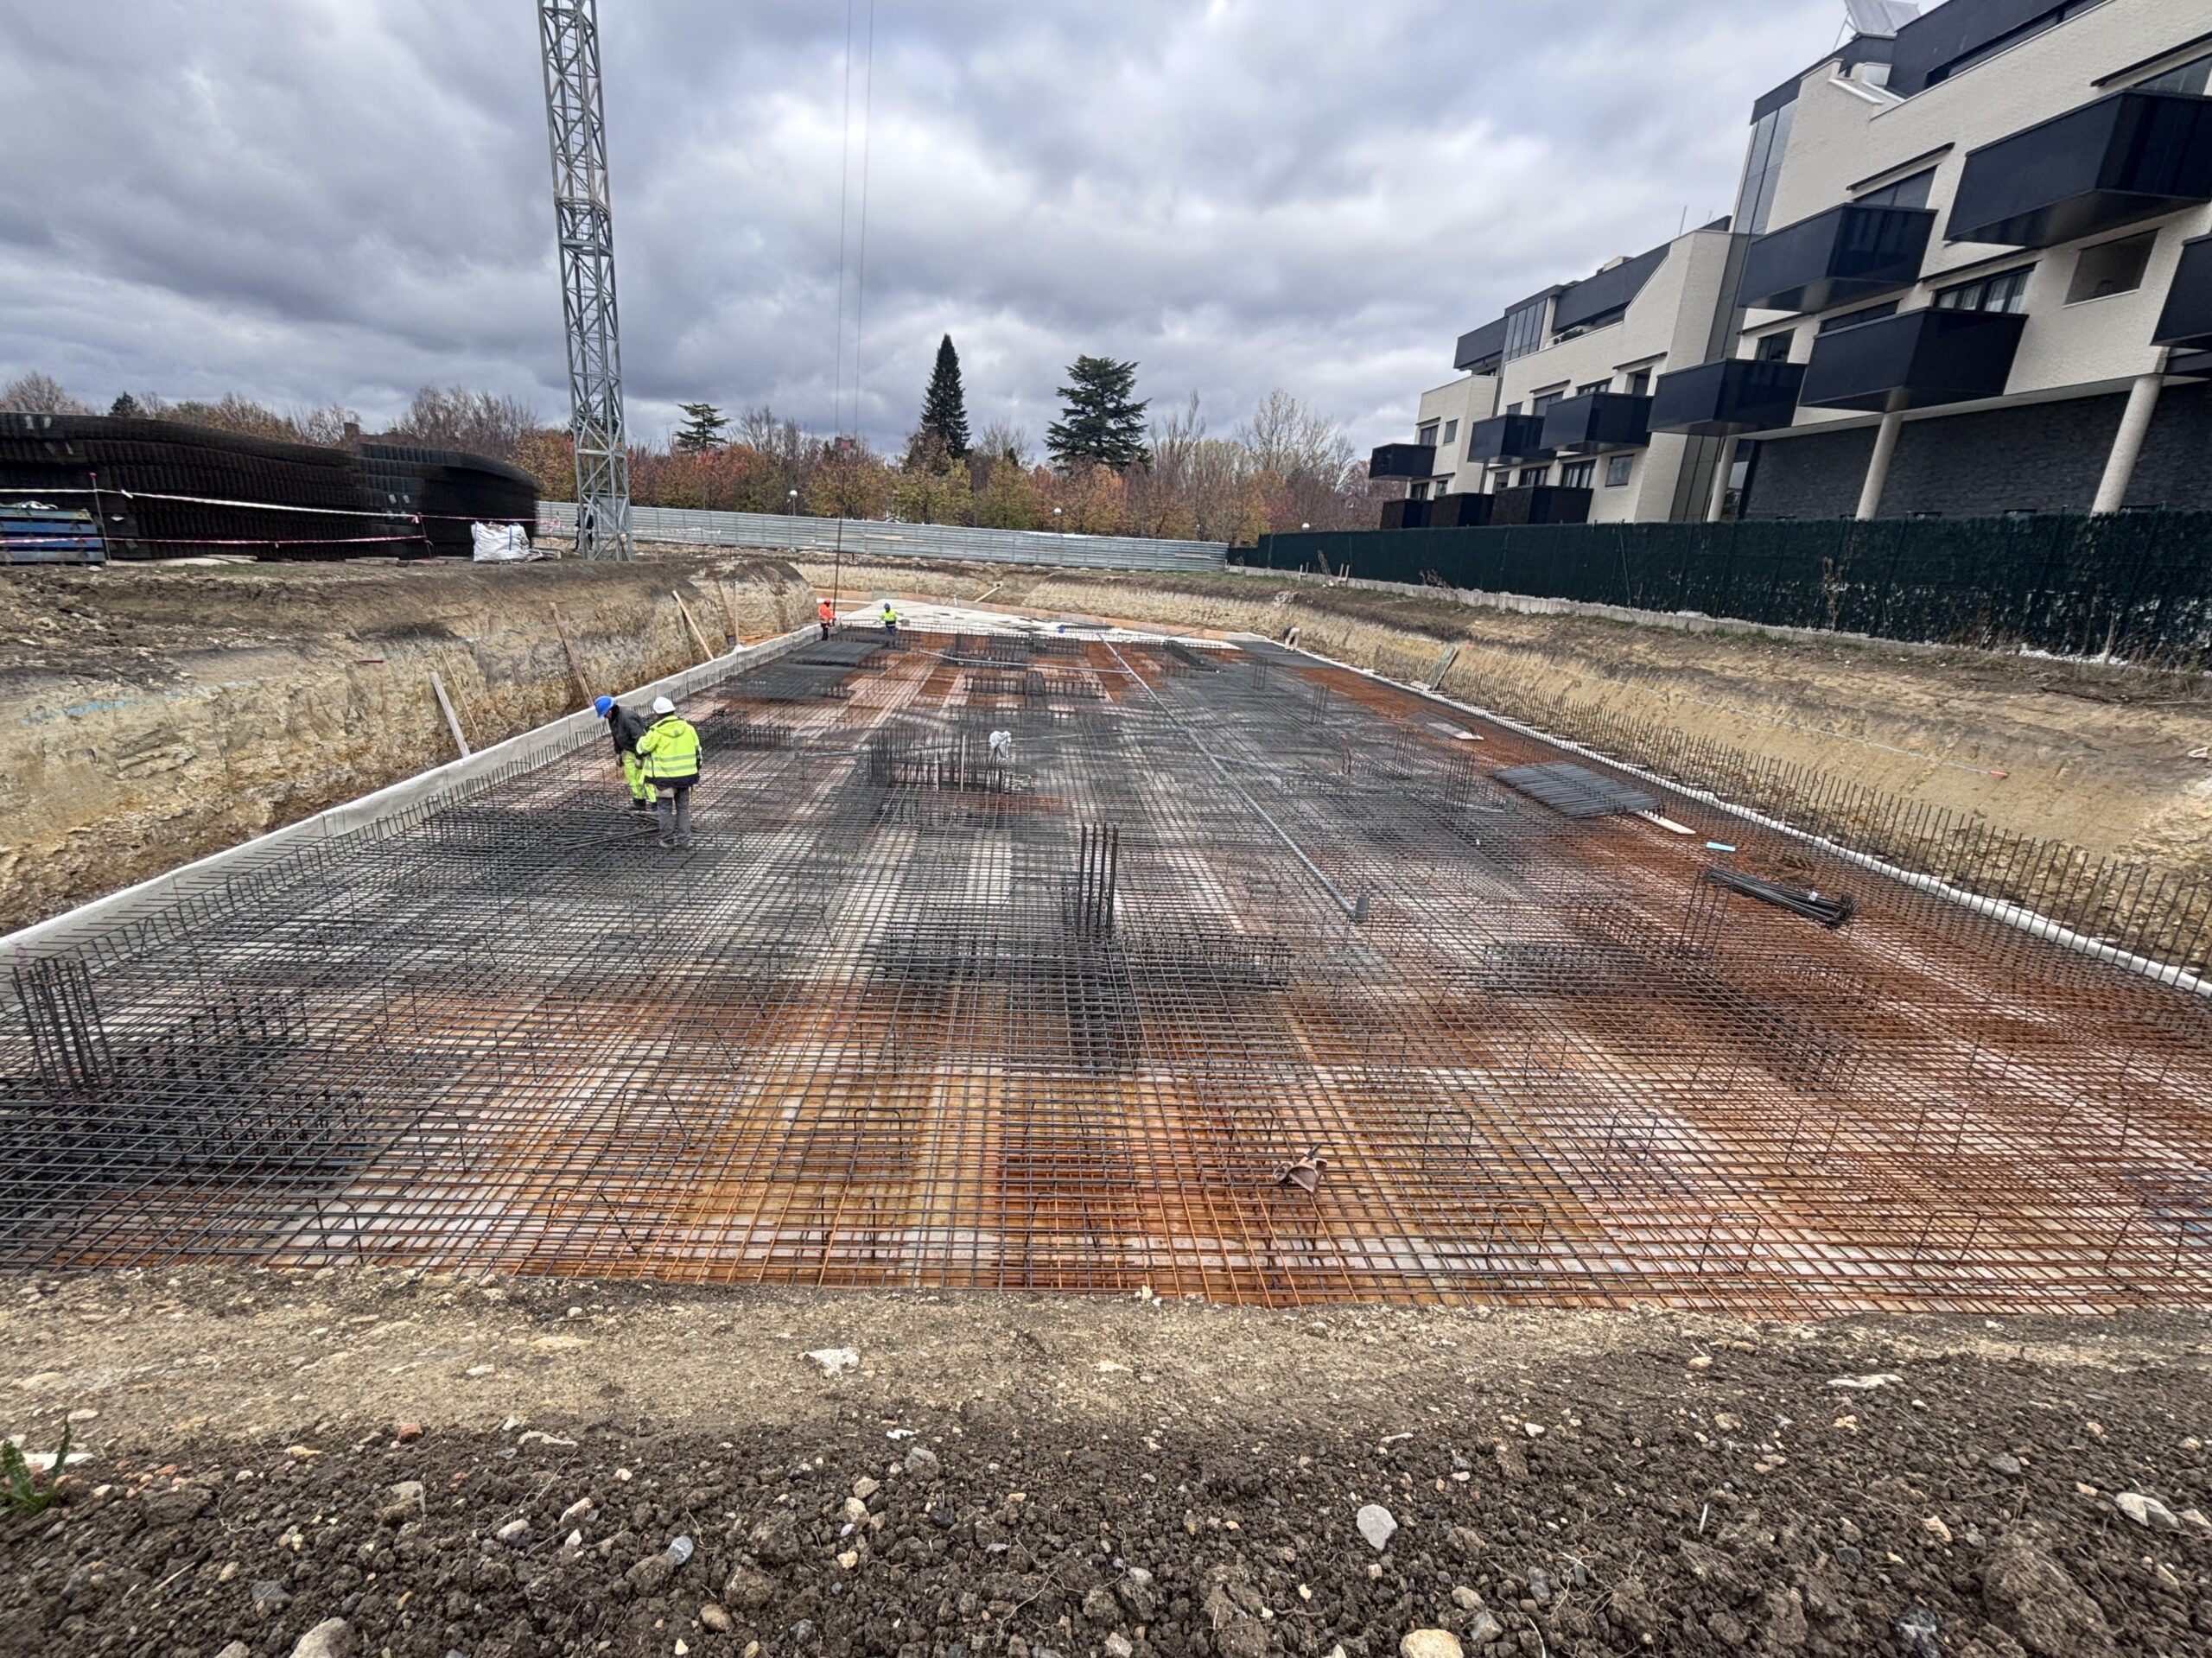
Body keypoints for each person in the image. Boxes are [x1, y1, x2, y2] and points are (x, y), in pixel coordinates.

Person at [636, 695, 702, 850]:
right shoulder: (688, 728)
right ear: (673, 711)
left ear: (658, 714)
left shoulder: (656, 732)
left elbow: (641, 748)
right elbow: (698, 752)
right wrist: (694, 771)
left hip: (664, 780)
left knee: (665, 809)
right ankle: (685, 841)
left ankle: (667, 841)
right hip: (686, 778)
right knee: (683, 809)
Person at [594, 694, 653, 813]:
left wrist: (639, 756)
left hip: (644, 751)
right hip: (631, 751)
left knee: (647, 779)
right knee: (632, 775)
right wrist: (618, 753)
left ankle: (656, 806)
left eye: (605, 714)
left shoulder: (627, 717)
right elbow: (616, 736)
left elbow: (640, 737)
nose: (605, 717)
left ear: (611, 709)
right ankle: (639, 802)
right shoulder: (612, 718)